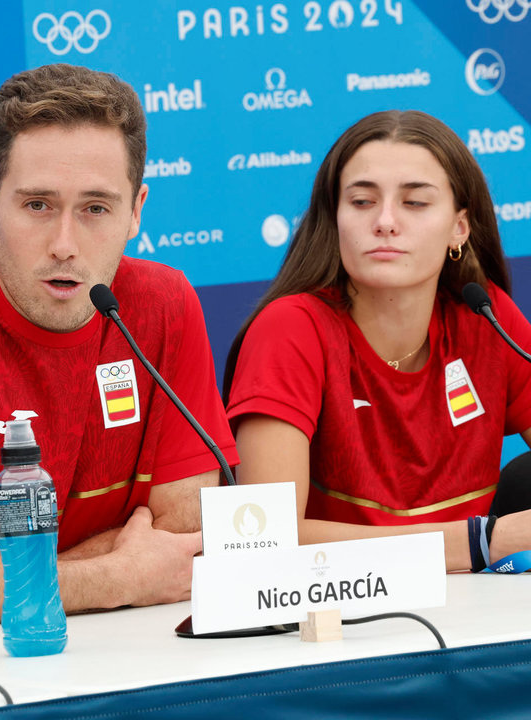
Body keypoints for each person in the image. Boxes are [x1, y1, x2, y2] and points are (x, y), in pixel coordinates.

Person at [0, 64, 237, 611]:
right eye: (38, 205)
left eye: (95, 209)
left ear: (136, 212)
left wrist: (2, 578)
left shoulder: (165, 305)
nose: (64, 244)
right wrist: (115, 577)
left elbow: (183, 537)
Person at [224, 110, 531, 573]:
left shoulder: (486, 316)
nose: (385, 222)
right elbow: (263, 539)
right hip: (335, 617)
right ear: (335, 218)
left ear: (459, 228)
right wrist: (481, 542)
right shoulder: (290, 329)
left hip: (475, 608)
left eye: (415, 203)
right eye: (363, 202)